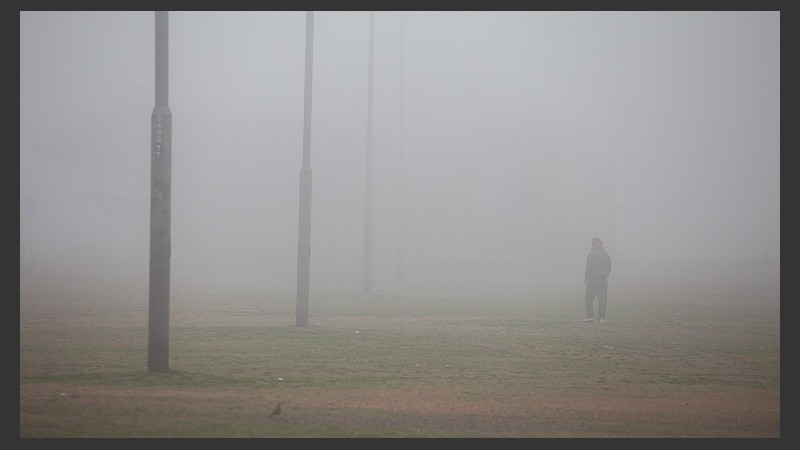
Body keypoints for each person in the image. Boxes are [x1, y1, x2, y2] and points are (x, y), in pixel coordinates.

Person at [584, 237, 612, 324]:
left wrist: (586, 277)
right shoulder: (607, 255)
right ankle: (601, 318)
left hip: (593, 279)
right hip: (603, 280)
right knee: (602, 300)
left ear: (593, 244)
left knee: (588, 298)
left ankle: (590, 316)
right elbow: (609, 268)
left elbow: (589, 266)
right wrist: (606, 275)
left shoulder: (592, 254)